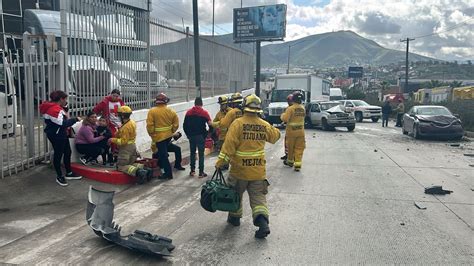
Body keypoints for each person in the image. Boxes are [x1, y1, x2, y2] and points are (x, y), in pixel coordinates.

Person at [215, 94, 280, 239]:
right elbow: (275, 137)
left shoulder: (238, 123)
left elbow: (228, 146)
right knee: (258, 199)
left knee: (236, 195)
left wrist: (220, 163)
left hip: (239, 171)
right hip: (258, 171)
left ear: (244, 106)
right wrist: (265, 123)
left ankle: (235, 219)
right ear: (258, 109)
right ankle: (263, 224)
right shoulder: (263, 124)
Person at [39, 90, 82, 186]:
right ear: (61, 99)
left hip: (60, 133)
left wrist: (65, 107)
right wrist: (75, 120)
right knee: (58, 154)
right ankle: (59, 176)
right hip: (57, 135)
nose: (66, 100)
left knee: (67, 152)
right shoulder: (54, 110)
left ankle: (69, 173)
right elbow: (63, 123)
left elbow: (63, 114)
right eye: (65, 99)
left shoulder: (53, 106)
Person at [109, 106, 151, 184]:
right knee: (130, 164)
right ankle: (146, 169)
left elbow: (123, 141)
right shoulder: (131, 122)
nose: (118, 117)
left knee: (121, 166)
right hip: (132, 147)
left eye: (119, 115)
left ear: (122, 116)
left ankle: (140, 172)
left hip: (126, 149)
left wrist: (112, 140)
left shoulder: (125, 127)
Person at [146, 93, 179, 179]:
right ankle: (164, 171)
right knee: (162, 154)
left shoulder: (152, 111)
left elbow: (150, 126)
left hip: (159, 138)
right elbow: (176, 124)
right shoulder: (171, 111)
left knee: (163, 156)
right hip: (168, 137)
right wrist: (172, 131)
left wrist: (152, 135)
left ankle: (168, 174)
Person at [183, 97, 212, 178]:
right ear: (202, 104)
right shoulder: (204, 113)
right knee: (201, 154)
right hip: (200, 136)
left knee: (192, 153)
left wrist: (188, 135)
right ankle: (201, 172)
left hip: (191, 136)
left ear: (194, 104)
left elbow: (184, 125)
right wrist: (207, 134)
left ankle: (192, 171)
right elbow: (211, 125)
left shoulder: (188, 112)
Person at [93, 89, 124, 158]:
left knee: (122, 139)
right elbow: (96, 109)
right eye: (114, 96)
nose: (115, 97)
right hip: (110, 124)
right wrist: (94, 118)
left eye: (117, 96)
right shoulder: (105, 102)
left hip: (120, 124)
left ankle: (120, 154)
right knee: (113, 139)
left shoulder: (120, 102)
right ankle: (113, 154)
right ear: (111, 94)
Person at [280, 91, 306, 171]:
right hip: (301, 132)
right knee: (299, 148)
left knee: (290, 148)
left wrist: (282, 115)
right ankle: (297, 164)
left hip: (291, 132)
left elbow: (285, 119)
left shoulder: (290, 109)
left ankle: (290, 161)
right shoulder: (302, 108)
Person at [280, 94, 294, 160]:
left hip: (291, 130)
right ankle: (287, 154)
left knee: (289, 143)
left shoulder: (290, 108)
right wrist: (284, 122)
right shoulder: (296, 107)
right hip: (293, 129)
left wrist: (282, 117)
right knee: (287, 143)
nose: (288, 102)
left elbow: (286, 118)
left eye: (289, 100)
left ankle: (289, 156)